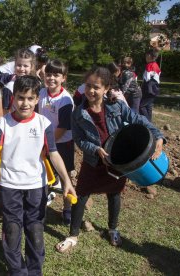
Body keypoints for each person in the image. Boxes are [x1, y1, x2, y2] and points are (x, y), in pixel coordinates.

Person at [0, 76, 76, 275]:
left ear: (37, 100)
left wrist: (67, 181)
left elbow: (53, 153)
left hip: (36, 185)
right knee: (12, 228)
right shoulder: (2, 124)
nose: (25, 103)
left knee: (35, 229)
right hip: (9, 185)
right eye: (20, 98)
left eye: (30, 98)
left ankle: (35, 270)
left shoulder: (44, 124)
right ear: (13, 98)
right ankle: (17, 270)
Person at [56, 66, 165, 253]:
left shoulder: (117, 106)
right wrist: (96, 149)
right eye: (88, 85)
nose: (91, 90)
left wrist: (158, 136)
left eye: (96, 87)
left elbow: (138, 119)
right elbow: (80, 140)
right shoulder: (78, 113)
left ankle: (113, 228)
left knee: (114, 193)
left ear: (106, 88)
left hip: (117, 159)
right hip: (93, 161)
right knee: (81, 194)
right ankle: (73, 235)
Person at [38, 60, 74, 224]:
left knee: (65, 175)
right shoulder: (41, 93)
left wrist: (48, 144)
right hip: (44, 142)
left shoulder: (66, 101)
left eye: (56, 75)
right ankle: (41, 207)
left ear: (63, 78)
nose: (51, 77)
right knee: (43, 175)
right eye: (49, 74)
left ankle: (67, 209)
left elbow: (62, 128)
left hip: (62, 143)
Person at [0, 48, 36, 112]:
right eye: (19, 65)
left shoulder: (36, 84)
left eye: (25, 66)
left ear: (32, 67)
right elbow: (5, 110)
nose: (22, 69)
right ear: (14, 65)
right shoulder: (10, 86)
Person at [140, 49, 161, 122]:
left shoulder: (149, 66)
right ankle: (150, 122)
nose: (145, 57)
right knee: (148, 106)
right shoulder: (156, 65)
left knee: (141, 106)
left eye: (146, 55)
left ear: (150, 56)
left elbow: (146, 78)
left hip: (149, 90)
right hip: (154, 89)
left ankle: (147, 122)